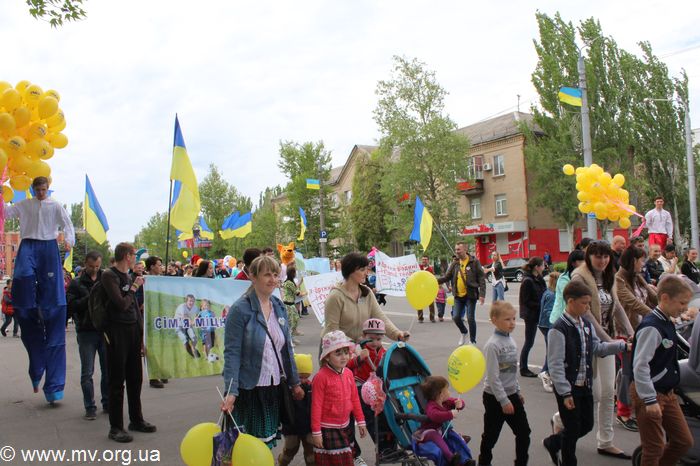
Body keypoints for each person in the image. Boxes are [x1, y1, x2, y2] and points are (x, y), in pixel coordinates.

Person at [2, 176, 74, 403]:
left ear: (47, 189)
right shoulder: (25, 204)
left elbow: (67, 223)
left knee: (52, 291)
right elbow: (7, 213)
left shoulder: (56, 205)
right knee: (22, 276)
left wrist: (69, 240)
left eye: (44, 189)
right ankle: (28, 303)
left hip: (48, 247)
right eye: (38, 190)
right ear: (33, 190)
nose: (41, 193)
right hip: (28, 244)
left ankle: (54, 387)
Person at [543, 281, 629, 466]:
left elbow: (597, 347)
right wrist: (565, 393)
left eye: (589, 303)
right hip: (569, 388)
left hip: (585, 385)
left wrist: (622, 346)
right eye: (584, 303)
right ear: (570, 301)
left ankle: (554, 442)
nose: (587, 307)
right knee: (573, 429)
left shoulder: (586, 325)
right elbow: (555, 364)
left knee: (587, 425)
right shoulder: (559, 329)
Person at [221, 255, 303, 447]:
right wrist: (231, 391)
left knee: (266, 445)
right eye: (267, 274)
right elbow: (232, 353)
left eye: (275, 274)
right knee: (246, 446)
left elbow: (286, 349)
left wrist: (294, 382)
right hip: (249, 389)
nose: (272, 279)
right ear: (253, 276)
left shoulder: (278, 306)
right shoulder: (240, 309)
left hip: (273, 388)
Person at [569, 241, 633, 459]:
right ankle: (561, 419)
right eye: (597, 256)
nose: (602, 260)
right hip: (587, 341)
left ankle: (605, 441)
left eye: (606, 256)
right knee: (592, 394)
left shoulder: (609, 275)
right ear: (589, 256)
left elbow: (617, 306)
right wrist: (609, 341)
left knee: (607, 393)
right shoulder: (579, 277)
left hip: (607, 340)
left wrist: (630, 332)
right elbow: (585, 313)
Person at [631, 275, 694, 466]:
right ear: (665, 298)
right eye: (682, 303)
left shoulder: (667, 320)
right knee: (654, 448)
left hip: (667, 392)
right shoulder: (652, 327)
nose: (685, 308)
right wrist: (649, 399)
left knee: (684, 441)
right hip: (650, 393)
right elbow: (640, 366)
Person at [102, 242, 156, 442]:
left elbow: (134, 309)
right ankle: (116, 427)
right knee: (117, 381)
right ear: (127, 256)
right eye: (134, 255)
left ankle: (136, 419)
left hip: (132, 330)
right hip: (116, 331)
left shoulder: (129, 276)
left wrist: (142, 336)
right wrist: (134, 287)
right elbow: (122, 304)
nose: (136, 258)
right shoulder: (109, 275)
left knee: (135, 378)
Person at [479, 301, 531, 466]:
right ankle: (484, 462)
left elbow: (510, 371)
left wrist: (517, 391)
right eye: (507, 319)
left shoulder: (511, 341)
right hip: (494, 398)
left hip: (511, 394)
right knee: (491, 436)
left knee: (524, 432)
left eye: (514, 319)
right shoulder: (492, 345)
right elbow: (493, 377)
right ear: (495, 320)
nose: (512, 323)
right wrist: (503, 400)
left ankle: (521, 462)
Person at [614, 245, 658, 432]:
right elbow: (632, 302)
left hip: (642, 331)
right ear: (633, 260)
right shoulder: (618, 279)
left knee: (640, 370)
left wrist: (669, 307)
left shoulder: (637, 277)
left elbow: (652, 296)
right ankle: (623, 412)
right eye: (641, 260)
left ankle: (636, 403)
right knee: (628, 372)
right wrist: (656, 315)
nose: (643, 263)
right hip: (625, 333)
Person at [323, 252, 409, 343]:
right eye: (362, 270)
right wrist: (352, 345)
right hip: (336, 348)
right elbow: (332, 331)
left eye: (367, 269)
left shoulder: (367, 292)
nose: (366, 273)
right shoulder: (335, 296)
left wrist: (397, 334)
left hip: (359, 347)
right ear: (350, 271)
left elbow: (380, 317)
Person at [311, 330, 366, 465]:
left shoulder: (348, 373)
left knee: (347, 460)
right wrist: (316, 432)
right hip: (327, 428)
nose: (344, 357)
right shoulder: (320, 377)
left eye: (346, 352)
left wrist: (361, 421)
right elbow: (316, 406)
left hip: (346, 425)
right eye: (338, 353)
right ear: (327, 357)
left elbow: (355, 399)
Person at [66, 251, 108, 420]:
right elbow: (71, 306)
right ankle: (89, 407)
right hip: (86, 331)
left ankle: (107, 403)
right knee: (87, 372)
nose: (95, 269)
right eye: (91, 266)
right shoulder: (76, 283)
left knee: (107, 370)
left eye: (97, 266)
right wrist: (90, 298)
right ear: (85, 264)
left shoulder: (105, 278)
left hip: (104, 330)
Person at [413, 375, 471, 466]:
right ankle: (450, 457)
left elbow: (457, 401)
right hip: (427, 431)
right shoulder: (431, 406)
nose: (449, 392)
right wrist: (450, 414)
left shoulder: (446, 402)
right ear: (440, 394)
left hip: (441, 430)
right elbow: (435, 416)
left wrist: (460, 404)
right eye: (447, 390)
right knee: (434, 434)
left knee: (451, 433)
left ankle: (464, 460)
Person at [347, 318, 387, 445]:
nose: (375, 342)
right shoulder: (357, 349)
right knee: (370, 416)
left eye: (378, 339)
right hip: (361, 385)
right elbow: (347, 365)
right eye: (371, 339)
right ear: (364, 336)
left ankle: (387, 441)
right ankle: (378, 442)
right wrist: (359, 358)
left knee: (384, 416)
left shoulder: (384, 352)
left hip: (378, 387)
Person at [437, 242, 486, 346]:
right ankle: (464, 332)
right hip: (458, 296)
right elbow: (447, 277)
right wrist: (435, 281)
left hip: (470, 295)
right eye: (455, 249)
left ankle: (472, 341)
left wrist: (482, 294)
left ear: (465, 249)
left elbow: (481, 277)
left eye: (459, 249)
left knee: (470, 318)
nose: (457, 252)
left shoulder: (474, 262)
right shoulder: (455, 263)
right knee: (456, 317)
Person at [278, 353, 315, 466]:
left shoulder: (311, 387)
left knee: (311, 452)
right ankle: (281, 462)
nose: (303, 380)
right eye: (300, 377)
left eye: (306, 377)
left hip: (309, 427)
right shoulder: (287, 388)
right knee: (290, 450)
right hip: (291, 427)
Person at [518, 257, 547, 378]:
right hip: (531, 315)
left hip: (540, 313)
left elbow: (545, 293)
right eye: (543, 265)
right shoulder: (528, 281)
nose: (544, 267)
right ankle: (523, 368)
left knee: (549, 339)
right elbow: (526, 301)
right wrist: (540, 304)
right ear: (536, 267)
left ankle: (548, 368)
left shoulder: (539, 278)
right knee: (529, 342)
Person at [144, 255, 167, 389]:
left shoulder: (161, 280)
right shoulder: (145, 281)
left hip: (160, 317)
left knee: (161, 346)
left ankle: (160, 370)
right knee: (151, 347)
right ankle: (153, 376)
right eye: (158, 265)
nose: (161, 267)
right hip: (149, 318)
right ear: (152, 266)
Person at [549, 250, 586, 325]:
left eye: (585, 261)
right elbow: (569, 295)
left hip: (573, 317)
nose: (584, 263)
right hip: (560, 319)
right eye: (581, 261)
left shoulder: (583, 276)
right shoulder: (564, 278)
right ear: (573, 263)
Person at [537, 271, 559, 393]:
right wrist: (554, 325)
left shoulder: (547, 292)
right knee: (551, 351)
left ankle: (545, 371)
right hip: (547, 325)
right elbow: (548, 311)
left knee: (550, 350)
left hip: (544, 324)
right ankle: (545, 372)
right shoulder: (552, 295)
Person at [282, 265, 302, 345]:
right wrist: (308, 293)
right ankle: (289, 340)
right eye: (294, 272)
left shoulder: (290, 282)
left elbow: (295, 288)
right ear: (292, 273)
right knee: (290, 322)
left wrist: (301, 282)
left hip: (291, 304)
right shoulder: (288, 283)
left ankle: (292, 335)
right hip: (288, 304)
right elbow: (297, 293)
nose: (295, 274)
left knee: (296, 319)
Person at [418, 255, 436, 323]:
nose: (424, 261)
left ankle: (432, 318)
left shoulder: (430, 269)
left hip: (428, 289)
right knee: (419, 304)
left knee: (431, 304)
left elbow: (432, 278)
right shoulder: (418, 267)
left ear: (428, 260)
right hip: (420, 288)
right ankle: (420, 318)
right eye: (423, 259)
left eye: (425, 259)